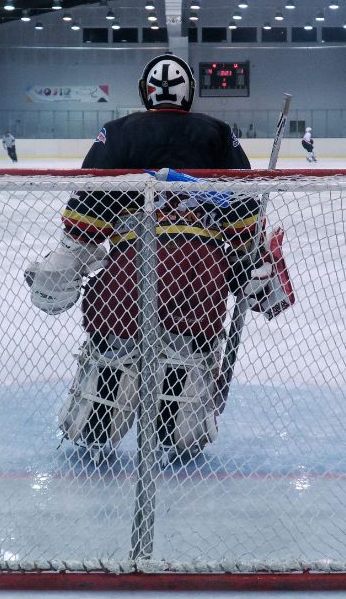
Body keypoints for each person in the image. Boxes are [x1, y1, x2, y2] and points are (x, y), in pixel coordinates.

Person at [23, 53, 283, 459]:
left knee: (111, 361)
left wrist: (61, 268)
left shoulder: (117, 132)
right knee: (186, 367)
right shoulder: (219, 133)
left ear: (146, 91)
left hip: (129, 270)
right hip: (200, 274)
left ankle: (95, 434)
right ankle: (177, 434)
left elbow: (85, 221)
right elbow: (245, 220)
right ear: (189, 94)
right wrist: (254, 267)